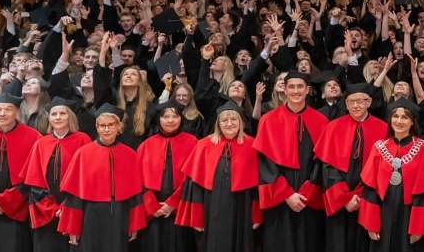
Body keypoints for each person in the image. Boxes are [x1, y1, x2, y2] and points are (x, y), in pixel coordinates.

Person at [253, 71, 328, 252]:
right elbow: (265, 161)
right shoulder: (268, 120)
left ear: (308, 90)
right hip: (279, 198)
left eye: (300, 86)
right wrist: (286, 194)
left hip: (309, 198)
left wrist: (307, 192)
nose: (296, 91)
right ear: (284, 90)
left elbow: (323, 162)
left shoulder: (321, 121)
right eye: (291, 87)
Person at [57, 103, 147, 252]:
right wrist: (72, 227)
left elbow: (135, 194)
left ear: (119, 127)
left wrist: (134, 224)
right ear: (97, 128)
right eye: (102, 125)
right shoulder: (83, 153)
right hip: (89, 215)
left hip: (119, 215)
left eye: (111, 125)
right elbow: (74, 195)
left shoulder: (130, 154)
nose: (106, 129)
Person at [359, 97, 424, 252]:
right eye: (395, 116)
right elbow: (370, 188)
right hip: (383, 212)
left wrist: (419, 227)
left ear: (412, 122)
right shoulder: (379, 148)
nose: (399, 121)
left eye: (405, 117)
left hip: (410, 214)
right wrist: (371, 223)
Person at [175, 101, 262, 252]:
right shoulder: (204, 145)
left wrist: (256, 214)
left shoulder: (252, 146)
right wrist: (196, 217)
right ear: (218, 124)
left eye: (234, 119)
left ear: (241, 122)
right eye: (224, 120)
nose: (229, 124)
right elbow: (194, 186)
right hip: (210, 207)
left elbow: (259, 187)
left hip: (242, 208)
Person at [313, 83, 388, 252]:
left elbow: (384, 169)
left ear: (369, 102)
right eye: (350, 102)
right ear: (345, 104)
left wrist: (362, 195)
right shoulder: (333, 127)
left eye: (360, 101)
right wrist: (345, 197)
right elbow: (327, 167)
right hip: (340, 201)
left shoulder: (383, 129)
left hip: (369, 199)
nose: (355, 106)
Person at [21, 97, 92, 252]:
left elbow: (88, 178)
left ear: (70, 116)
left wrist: (68, 205)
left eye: (62, 113)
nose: (58, 117)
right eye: (54, 114)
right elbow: (34, 179)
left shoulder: (83, 140)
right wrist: (52, 208)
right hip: (46, 209)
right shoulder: (41, 143)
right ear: (49, 118)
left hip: (74, 206)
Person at [0, 93, 42, 252]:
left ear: (17, 112)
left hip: (15, 212)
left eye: (8, 109)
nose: (2, 114)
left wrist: (3, 202)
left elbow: (34, 178)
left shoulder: (34, 138)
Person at [136, 99, 198, 252]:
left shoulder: (193, 142)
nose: (171, 120)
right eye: (166, 117)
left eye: (175, 116)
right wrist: (152, 205)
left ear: (181, 119)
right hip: (153, 213)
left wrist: (173, 204)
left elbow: (194, 178)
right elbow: (137, 180)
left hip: (181, 211)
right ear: (159, 120)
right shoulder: (146, 145)